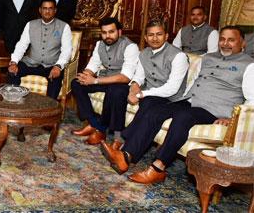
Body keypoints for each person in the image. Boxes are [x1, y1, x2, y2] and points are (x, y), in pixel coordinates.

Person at [101, 26, 253, 184]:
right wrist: (183, 100)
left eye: (231, 40)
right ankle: (126, 156)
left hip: (215, 110)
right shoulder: (208, 58)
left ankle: (158, 168)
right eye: (222, 39)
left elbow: (252, 100)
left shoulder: (249, 65)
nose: (225, 43)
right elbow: (195, 82)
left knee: (182, 117)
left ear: (242, 42)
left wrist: (233, 119)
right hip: (191, 101)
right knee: (155, 111)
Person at [99, 20, 189, 151]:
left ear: (166, 36)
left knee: (147, 102)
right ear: (146, 38)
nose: (155, 38)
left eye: (159, 34)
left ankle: (124, 141)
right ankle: (116, 136)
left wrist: (141, 94)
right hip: (149, 91)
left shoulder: (178, 56)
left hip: (171, 99)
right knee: (117, 89)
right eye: (151, 35)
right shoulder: (144, 53)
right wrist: (134, 87)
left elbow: (172, 88)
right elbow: (139, 77)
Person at [71, 17, 139, 145]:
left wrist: (95, 81)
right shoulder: (99, 44)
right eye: (104, 32)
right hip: (105, 80)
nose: (108, 36)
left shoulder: (130, 47)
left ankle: (117, 138)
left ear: (119, 32)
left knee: (115, 91)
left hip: (122, 83)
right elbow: (93, 65)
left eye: (111, 32)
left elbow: (126, 76)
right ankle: (95, 125)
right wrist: (86, 76)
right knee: (76, 83)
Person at [8, 0, 72, 100]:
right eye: (44, 8)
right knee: (12, 72)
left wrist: (58, 66)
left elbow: (67, 50)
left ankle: (50, 109)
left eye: (50, 8)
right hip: (31, 63)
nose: (47, 11)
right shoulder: (30, 24)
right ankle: (14, 103)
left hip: (51, 66)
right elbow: (21, 45)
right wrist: (14, 62)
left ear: (55, 10)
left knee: (56, 78)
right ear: (40, 10)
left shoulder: (64, 27)